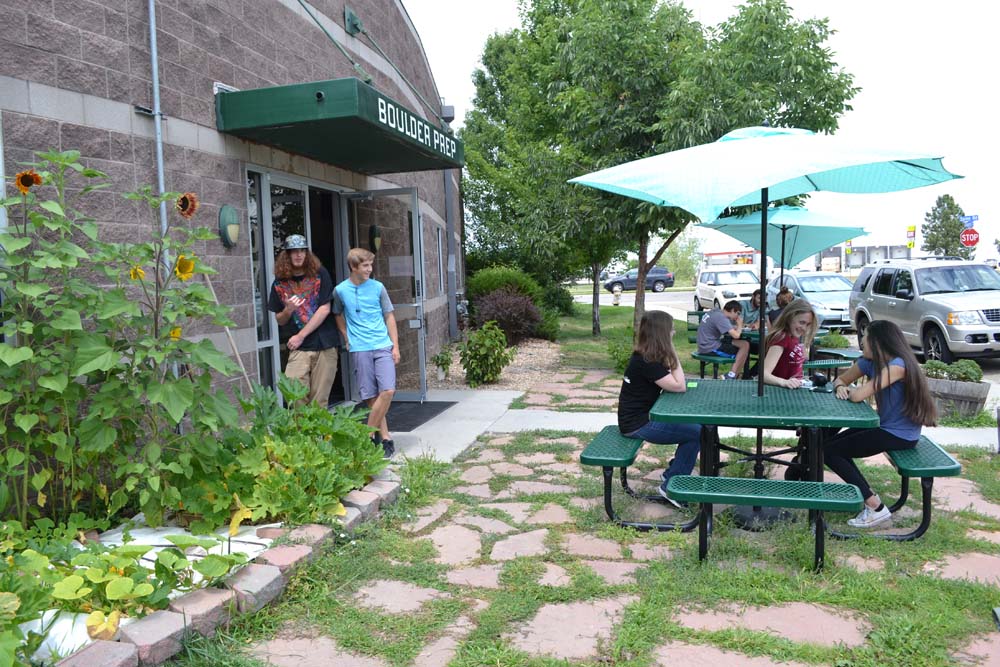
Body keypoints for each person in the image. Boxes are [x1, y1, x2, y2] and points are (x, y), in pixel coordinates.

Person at [825, 320, 937, 528]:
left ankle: (875, 507)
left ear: (878, 343)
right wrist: (841, 386)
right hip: (882, 426)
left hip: (900, 435)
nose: (861, 342)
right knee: (827, 446)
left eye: (865, 339)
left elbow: (858, 396)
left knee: (830, 452)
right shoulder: (869, 362)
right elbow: (840, 380)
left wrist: (848, 390)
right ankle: (813, 480)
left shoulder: (897, 366)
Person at [617, 311, 701, 508]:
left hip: (639, 418)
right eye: (670, 328)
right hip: (637, 424)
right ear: (662, 333)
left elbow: (675, 382)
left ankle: (674, 472)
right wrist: (671, 349)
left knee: (698, 426)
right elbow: (680, 385)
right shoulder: (647, 362)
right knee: (697, 433)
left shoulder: (646, 355)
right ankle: (672, 487)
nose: (674, 331)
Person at [332, 248, 400, 458]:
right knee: (371, 396)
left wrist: (395, 346)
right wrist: (346, 337)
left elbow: (389, 317)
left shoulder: (378, 287)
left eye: (371, 265)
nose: (370, 269)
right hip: (360, 347)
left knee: (387, 391)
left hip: (381, 344)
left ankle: (367, 434)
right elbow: (337, 313)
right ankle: (385, 438)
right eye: (365, 266)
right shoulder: (340, 290)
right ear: (353, 267)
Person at [267, 234, 341, 407]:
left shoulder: (320, 274)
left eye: (302, 251)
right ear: (287, 255)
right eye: (294, 251)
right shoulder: (280, 283)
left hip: (325, 343)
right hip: (299, 348)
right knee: (294, 394)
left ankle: (317, 435)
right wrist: (288, 310)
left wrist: (301, 335)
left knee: (319, 400)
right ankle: (301, 434)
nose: (298, 255)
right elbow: (280, 319)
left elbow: (324, 308)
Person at [761, 298, 817, 389]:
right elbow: (764, 374)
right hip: (779, 393)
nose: (804, 328)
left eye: (808, 324)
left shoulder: (794, 336)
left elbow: (803, 358)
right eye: (801, 322)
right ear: (789, 318)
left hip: (795, 390)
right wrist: (784, 382)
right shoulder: (781, 338)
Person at [696, 300, 750, 380]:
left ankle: (734, 375)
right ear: (732, 310)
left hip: (705, 344)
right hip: (710, 348)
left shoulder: (716, 312)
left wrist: (739, 327)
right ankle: (732, 375)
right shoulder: (721, 318)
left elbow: (725, 326)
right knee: (743, 351)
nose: (738, 316)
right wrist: (740, 325)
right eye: (737, 313)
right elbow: (736, 336)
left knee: (744, 344)